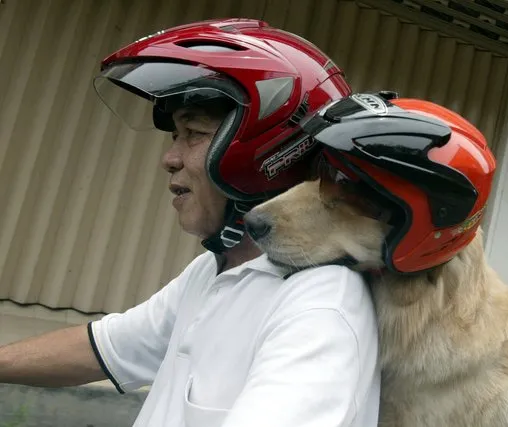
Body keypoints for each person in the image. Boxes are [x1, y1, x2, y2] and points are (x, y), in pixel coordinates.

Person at [0, 19, 380, 427]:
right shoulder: (215, 271)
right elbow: (102, 350)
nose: (170, 158)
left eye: (193, 133)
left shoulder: (319, 305)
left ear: (264, 155)